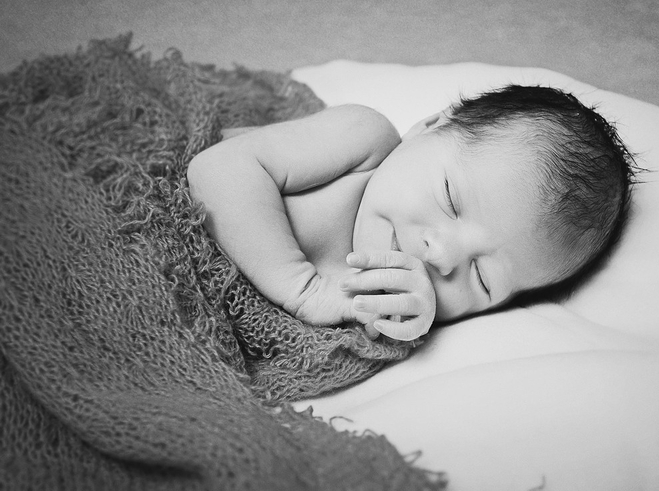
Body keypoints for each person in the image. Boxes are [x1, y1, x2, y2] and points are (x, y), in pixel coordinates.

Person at [187, 85, 635, 341]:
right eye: (450, 199)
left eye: (482, 279)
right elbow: (219, 169)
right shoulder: (363, 140)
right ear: (428, 128)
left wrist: (401, 327)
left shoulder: (395, 308)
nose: (442, 255)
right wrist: (302, 289)